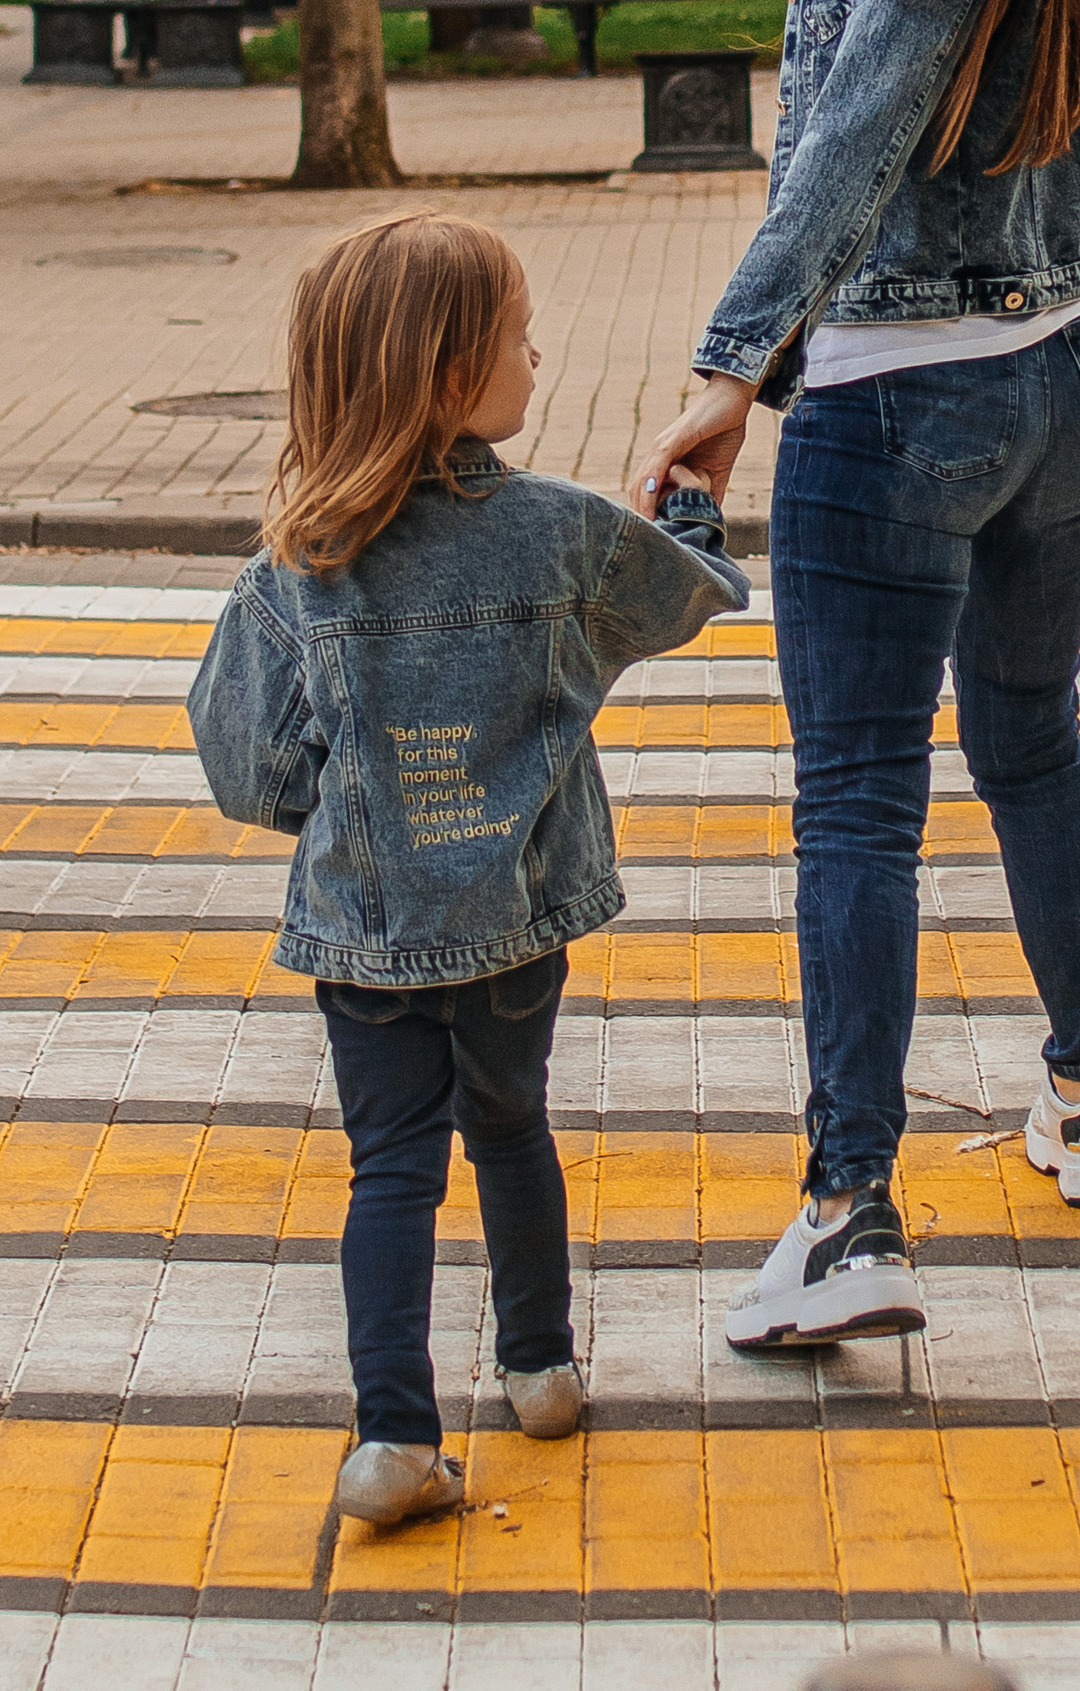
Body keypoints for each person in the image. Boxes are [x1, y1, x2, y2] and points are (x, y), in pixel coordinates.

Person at [632, 0, 1080, 1357]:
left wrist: (728, 370)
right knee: (1030, 741)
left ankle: (850, 1211)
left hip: (892, 394)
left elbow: (850, 142)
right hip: (1058, 380)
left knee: (858, 794)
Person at [189, 212, 742, 1531]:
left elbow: (243, 760)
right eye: (517, 337)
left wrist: (330, 819)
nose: (539, 357)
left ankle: (393, 1436)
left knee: (390, 1169)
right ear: (447, 375)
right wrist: (700, 509)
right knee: (510, 1127)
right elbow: (686, 593)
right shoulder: (554, 537)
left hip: (364, 941)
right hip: (514, 925)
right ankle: (540, 1367)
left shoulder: (299, 563)